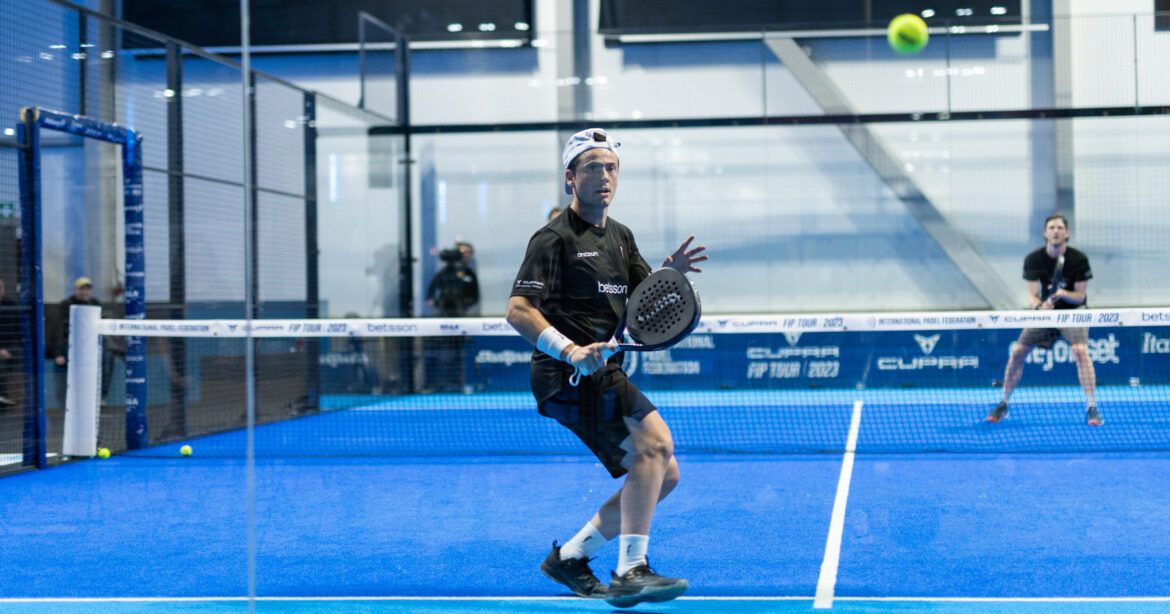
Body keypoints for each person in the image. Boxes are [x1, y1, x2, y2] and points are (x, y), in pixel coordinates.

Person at [506, 128, 707, 607]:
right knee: (654, 445)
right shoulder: (553, 238)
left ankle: (570, 557)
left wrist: (668, 271)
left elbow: (645, 299)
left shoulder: (620, 237)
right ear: (570, 178)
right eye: (592, 167)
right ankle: (631, 569)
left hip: (604, 371)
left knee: (663, 473)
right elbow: (517, 310)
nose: (604, 176)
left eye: (611, 167)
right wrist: (571, 351)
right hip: (565, 373)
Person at [987, 213, 1101, 426]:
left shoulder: (1078, 259)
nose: (1056, 231)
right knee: (1018, 351)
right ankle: (1003, 403)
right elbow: (1032, 296)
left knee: (1080, 351)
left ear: (1067, 233)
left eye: (1060, 228)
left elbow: (1080, 296)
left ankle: (1092, 407)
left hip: (1073, 313)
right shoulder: (1034, 259)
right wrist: (1041, 307)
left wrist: (1063, 294)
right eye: (1051, 228)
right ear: (1045, 233)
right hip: (1046, 314)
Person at [45, 277, 102, 408]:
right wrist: (58, 353)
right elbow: (58, 330)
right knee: (63, 365)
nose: (85, 292)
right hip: (69, 344)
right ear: (76, 290)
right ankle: (65, 403)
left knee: (106, 357)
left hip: (90, 345)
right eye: (82, 289)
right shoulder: (66, 305)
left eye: (87, 289)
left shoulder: (96, 304)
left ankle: (96, 399)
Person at [0, 278, 21, 407]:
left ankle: (17, 402)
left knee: (20, 357)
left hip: (10, 346)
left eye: (0, 288)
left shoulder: (11, 305)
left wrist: (8, 350)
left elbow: (17, 332)